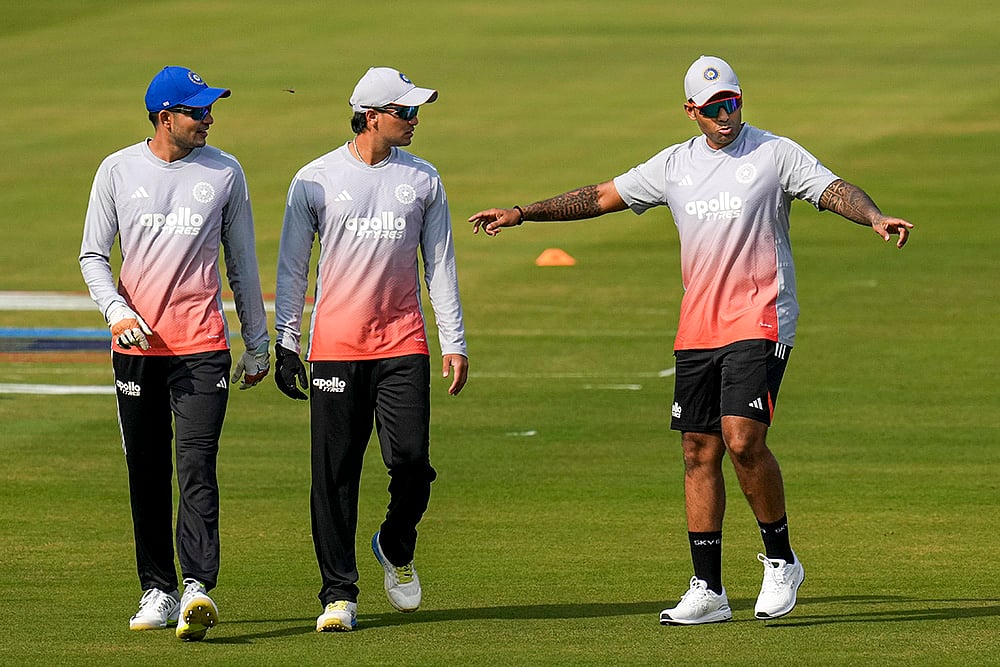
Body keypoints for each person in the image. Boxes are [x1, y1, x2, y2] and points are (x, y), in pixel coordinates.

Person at [469, 55, 913, 625]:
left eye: (731, 103)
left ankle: (781, 561)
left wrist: (874, 217)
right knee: (697, 451)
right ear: (690, 111)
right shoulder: (674, 165)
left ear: (741, 98)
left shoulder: (774, 153)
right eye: (711, 109)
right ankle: (708, 589)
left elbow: (833, 190)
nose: (724, 116)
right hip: (697, 328)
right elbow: (600, 196)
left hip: (761, 318)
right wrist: (523, 213)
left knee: (742, 439)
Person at [274, 66, 469, 633]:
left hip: (403, 343)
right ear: (371, 116)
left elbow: (441, 266)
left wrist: (453, 340)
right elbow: (292, 269)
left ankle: (396, 542)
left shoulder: (424, 179)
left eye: (415, 111)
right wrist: (287, 343)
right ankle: (339, 593)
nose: (414, 120)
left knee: (411, 463)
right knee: (334, 474)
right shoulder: (314, 178)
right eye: (404, 112)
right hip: (335, 347)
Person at [79, 66, 270, 641]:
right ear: (166, 118)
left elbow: (241, 263)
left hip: (202, 347)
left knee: (195, 467)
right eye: (198, 112)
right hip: (136, 347)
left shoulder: (225, 171)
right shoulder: (117, 170)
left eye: (210, 110)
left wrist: (257, 344)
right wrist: (116, 310)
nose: (209, 119)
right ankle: (157, 588)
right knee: (146, 471)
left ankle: (197, 587)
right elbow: (93, 256)